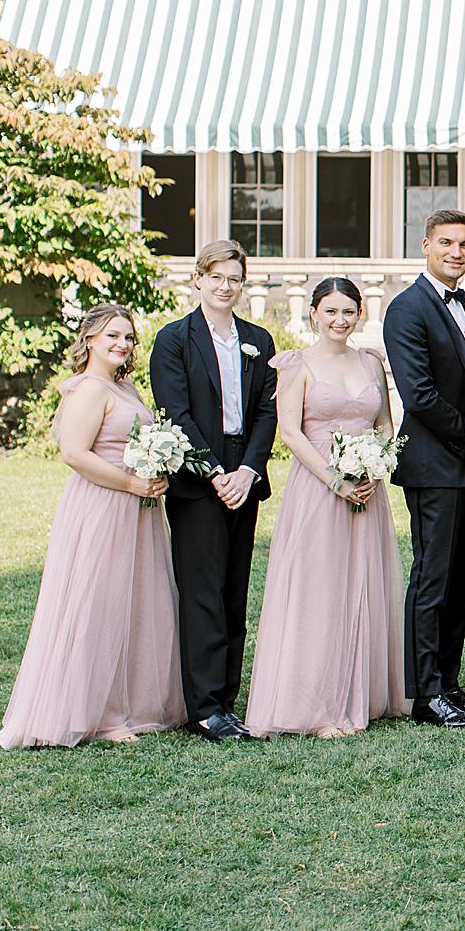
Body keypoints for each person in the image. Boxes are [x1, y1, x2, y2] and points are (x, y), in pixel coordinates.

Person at [0, 305, 188, 748]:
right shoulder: (86, 390)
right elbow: (75, 454)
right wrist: (130, 482)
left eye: (128, 338)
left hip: (138, 507)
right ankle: (99, 713)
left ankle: (135, 703)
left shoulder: (126, 387)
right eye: (112, 337)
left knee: (139, 599)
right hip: (103, 504)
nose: (122, 344)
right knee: (99, 601)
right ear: (88, 340)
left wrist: (157, 470)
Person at [245, 278, 409, 737]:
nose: (340, 320)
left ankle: (362, 690)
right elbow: (291, 433)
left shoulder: (372, 363)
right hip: (319, 487)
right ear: (314, 313)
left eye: (349, 312)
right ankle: (314, 703)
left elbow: (383, 424)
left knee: (362, 582)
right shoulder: (296, 364)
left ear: (360, 314)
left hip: (366, 489)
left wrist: (375, 466)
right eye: (331, 311)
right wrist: (335, 479)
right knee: (319, 589)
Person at [149, 240, 278, 742]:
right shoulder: (175, 340)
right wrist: (213, 472)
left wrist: (247, 470)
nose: (226, 287)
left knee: (233, 590)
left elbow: (268, 410)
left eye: (235, 279)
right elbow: (175, 413)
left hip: (243, 474)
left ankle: (227, 697)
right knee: (202, 591)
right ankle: (204, 707)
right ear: (198, 280)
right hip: (198, 479)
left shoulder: (258, 340)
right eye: (216, 277)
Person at [383, 209, 465, 728]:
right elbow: (419, 395)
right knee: (432, 576)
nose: (457, 252)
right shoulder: (407, 308)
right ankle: (426, 694)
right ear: (425, 245)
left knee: (461, 577)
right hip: (433, 463)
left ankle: (448, 682)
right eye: (446, 242)